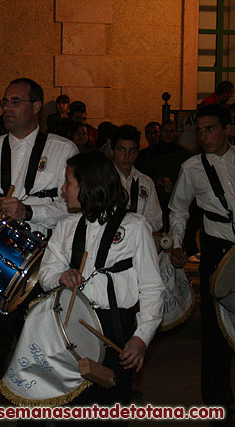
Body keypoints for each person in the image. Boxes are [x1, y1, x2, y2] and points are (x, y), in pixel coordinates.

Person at [0, 77, 78, 427]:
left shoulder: (62, 149)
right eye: (4, 102)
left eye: (15, 101)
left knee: (37, 347)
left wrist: (29, 211)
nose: (7, 109)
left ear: (36, 106)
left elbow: (72, 206)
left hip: (43, 258)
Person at [39, 152, 164, 423]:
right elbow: (45, 274)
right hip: (73, 326)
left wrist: (142, 337)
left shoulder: (134, 227)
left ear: (88, 186)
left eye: (68, 182)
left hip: (116, 326)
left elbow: (153, 288)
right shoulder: (66, 227)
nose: (62, 190)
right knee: (72, 410)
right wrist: (62, 276)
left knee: (111, 409)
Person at [168, 104, 235, 425]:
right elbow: (179, 210)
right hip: (217, 248)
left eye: (211, 129)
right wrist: (177, 242)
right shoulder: (191, 167)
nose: (205, 136)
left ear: (227, 129)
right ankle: (218, 402)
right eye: (201, 130)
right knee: (215, 329)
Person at [134, 120, 191, 232]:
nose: (168, 134)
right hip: (155, 198)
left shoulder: (184, 154)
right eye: (165, 131)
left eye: (171, 131)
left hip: (177, 199)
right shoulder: (148, 154)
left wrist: (174, 185)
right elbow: (140, 175)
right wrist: (157, 181)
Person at [110, 125, 162, 231]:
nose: (127, 156)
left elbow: (156, 221)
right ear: (112, 151)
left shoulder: (146, 182)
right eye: (121, 150)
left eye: (131, 151)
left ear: (137, 153)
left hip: (137, 240)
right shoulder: (102, 180)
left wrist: (138, 229)